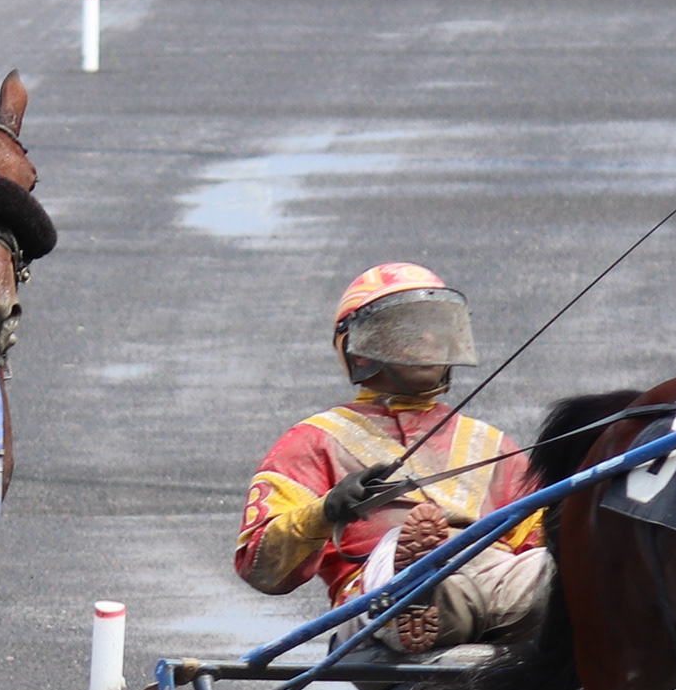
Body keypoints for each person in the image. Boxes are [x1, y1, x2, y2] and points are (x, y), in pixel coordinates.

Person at [233, 262, 549, 656]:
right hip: (372, 601)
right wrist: (325, 511)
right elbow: (260, 567)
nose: (429, 338)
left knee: (561, 567)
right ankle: (412, 590)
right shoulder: (313, 440)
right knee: (401, 554)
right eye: (410, 328)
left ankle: (427, 595)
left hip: (493, 583)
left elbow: (539, 539)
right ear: (360, 349)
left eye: (438, 327)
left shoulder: (494, 444)